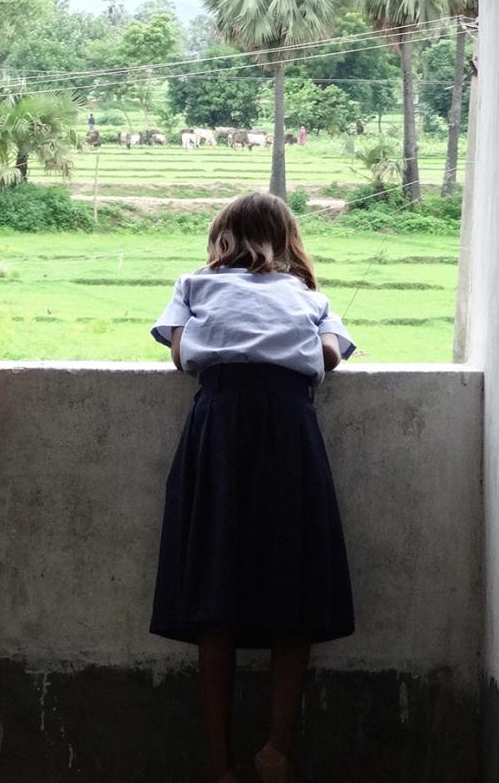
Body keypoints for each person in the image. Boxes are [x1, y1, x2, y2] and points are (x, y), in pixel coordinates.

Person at [149, 192, 356, 783]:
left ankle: (221, 767)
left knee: (216, 597)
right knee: (295, 593)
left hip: (218, 431)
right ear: (289, 242)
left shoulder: (193, 285)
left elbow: (180, 352)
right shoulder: (309, 296)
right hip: (290, 431)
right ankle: (277, 749)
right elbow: (328, 354)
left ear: (221, 241)